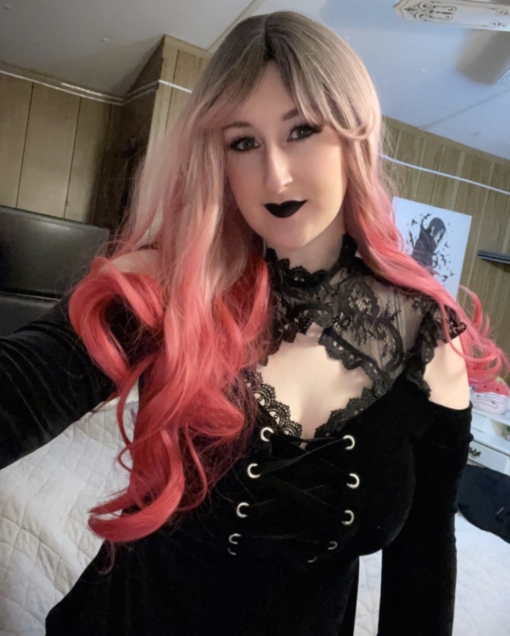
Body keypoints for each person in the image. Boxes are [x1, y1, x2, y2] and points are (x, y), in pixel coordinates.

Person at [0, 10, 507, 636]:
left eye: (301, 131)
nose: (276, 175)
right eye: (243, 142)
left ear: (353, 138)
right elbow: (21, 387)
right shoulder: (171, 289)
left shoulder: (427, 340)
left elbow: (424, 565)